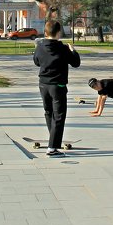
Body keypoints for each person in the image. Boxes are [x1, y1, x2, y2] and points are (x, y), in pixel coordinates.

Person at [32, 19, 81, 156]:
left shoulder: (40, 46)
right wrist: (73, 51)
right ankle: (52, 147)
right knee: (59, 116)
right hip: (57, 85)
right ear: (58, 32)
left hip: (43, 84)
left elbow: (36, 61)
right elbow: (76, 63)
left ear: (45, 32)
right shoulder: (63, 48)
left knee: (49, 112)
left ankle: (52, 140)